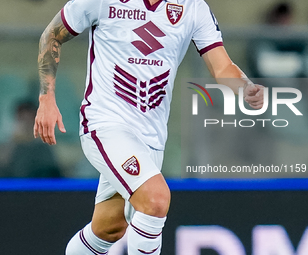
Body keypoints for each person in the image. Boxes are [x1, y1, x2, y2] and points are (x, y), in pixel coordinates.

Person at [34, 0, 264, 254]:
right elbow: (52, 35)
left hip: (151, 137)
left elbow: (222, 66)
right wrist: (47, 98)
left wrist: (246, 87)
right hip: (106, 124)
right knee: (156, 199)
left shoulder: (193, 7)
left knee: (109, 227)